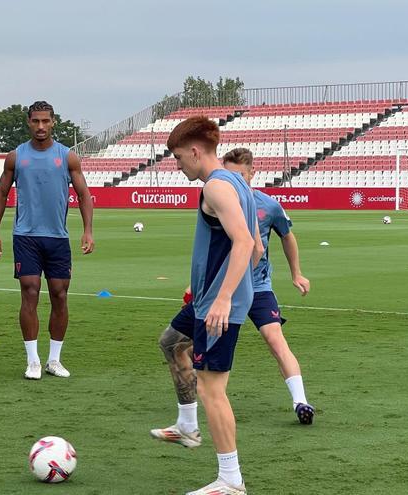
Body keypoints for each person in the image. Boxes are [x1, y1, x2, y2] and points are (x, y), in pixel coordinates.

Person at [152, 148, 314, 456]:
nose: (233, 180)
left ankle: (300, 401)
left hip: (248, 290)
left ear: (251, 174)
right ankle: (186, 423)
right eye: (230, 173)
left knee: (270, 341)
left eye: (240, 175)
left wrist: (296, 273)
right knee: (171, 343)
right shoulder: (221, 194)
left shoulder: (265, 203)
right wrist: (201, 283)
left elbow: (264, 243)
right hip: (216, 291)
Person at [153, 117, 256, 495]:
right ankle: (186, 426)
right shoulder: (236, 183)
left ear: (195, 151)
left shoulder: (216, 187)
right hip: (206, 297)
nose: (178, 166)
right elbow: (256, 244)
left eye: (179, 158)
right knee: (171, 342)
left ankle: (230, 480)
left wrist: (225, 297)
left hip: (217, 304)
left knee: (213, 388)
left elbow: (244, 242)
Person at [0, 101, 94, 380]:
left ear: (53, 122)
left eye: (45, 121)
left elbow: (84, 195)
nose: (40, 127)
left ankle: (54, 360)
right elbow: (1, 193)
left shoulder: (67, 157)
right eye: (36, 121)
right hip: (26, 236)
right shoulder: (16, 156)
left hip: (57, 237)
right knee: (30, 290)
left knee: (60, 294)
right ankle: (33, 360)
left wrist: (87, 230)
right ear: (28, 122)